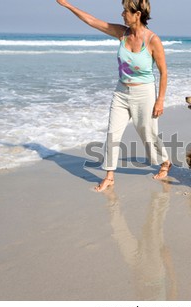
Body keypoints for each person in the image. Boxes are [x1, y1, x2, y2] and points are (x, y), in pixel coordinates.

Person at [57, 0, 172, 191]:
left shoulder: (153, 40)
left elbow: (164, 72)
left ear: (137, 14)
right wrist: (68, 5)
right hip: (121, 92)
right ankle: (109, 176)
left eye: (125, 11)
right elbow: (92, 21)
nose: (122, 14)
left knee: (148, 133)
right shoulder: (122, 33)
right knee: (112, 133)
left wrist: (160, 100)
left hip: (144, 93)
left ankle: (165, 162)